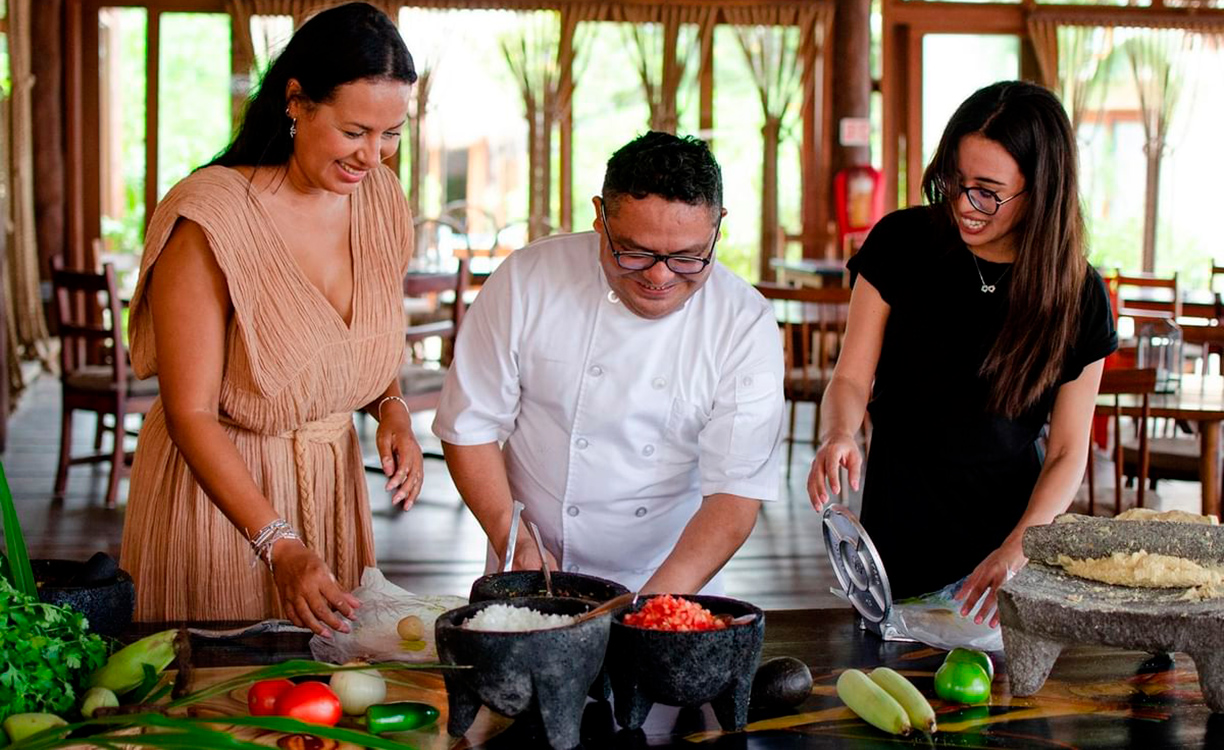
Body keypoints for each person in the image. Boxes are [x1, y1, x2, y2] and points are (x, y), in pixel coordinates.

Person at [120, 2, 423, 636]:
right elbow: (190, 413)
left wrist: (389, 406)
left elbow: (361, 348)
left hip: (332, 495)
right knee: (218, 714)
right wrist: (279, 544)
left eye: (391, 133)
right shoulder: (212, 218)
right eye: (354, 131)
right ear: (296, 102)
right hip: (219, 505)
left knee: (322, 717)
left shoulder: (381, 202)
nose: (374, 156)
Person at [808, 81, 1117, 626]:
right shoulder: (902, 244)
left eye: (988, 191)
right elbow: (852, 379)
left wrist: (1019, 549)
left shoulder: (1077, 294)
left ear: (1040, 190)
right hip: (896, 521)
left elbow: (1070, 452)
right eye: (954, 180)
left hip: (1006, 538)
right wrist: (839, 432)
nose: (963, 204)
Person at [433, 132, 785, 595]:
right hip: (533, 567)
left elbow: (735, 493)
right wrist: (511, 537)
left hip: (670, 574)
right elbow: (471, 427)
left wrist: (652, 609)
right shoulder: (528, 281)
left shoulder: (744, 322)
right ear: (600, 216)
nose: (660, 276)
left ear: (718, 226)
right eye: (634, 252)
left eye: (687, 257)